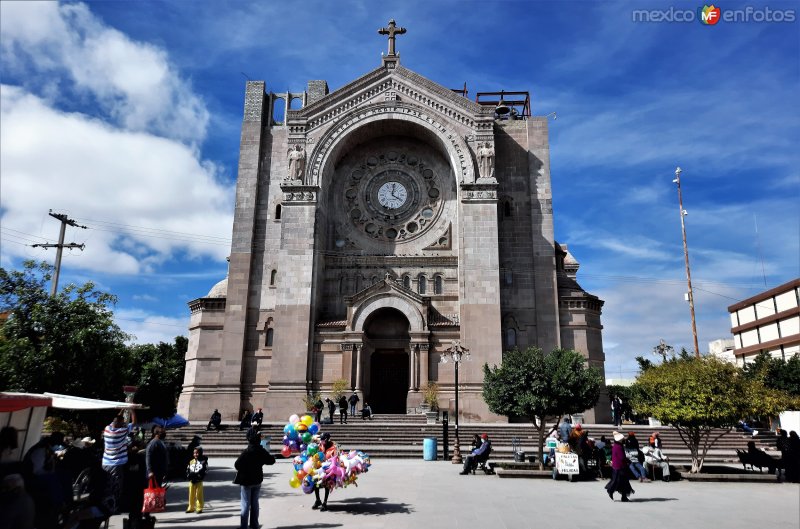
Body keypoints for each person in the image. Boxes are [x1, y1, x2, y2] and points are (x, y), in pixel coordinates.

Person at [234, 431, 275, 529]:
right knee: (255, 503)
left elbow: (237, 464)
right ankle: (254, 525)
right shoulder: (261, 450)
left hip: (246, 481)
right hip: (257, 480)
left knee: (245, 504)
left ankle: (244, 527)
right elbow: (271, 460)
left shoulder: (247, 451)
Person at [605, 431, 634, 502]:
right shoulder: (619, 447)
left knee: (620, 481)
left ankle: (622, 496)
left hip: (617, 466)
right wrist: (628, 461)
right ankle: (612, 491)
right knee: (621, 482)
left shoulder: (615, 446)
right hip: (620, 467)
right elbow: (622, 457)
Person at [313, 433, 336, 511]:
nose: (322, 442)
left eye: (323, 440)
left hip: (329, 468)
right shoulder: (321, 445)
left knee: (327, 485)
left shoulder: (334, 447)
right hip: (319, 467)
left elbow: (336, 458)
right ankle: (318, 500)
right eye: (321, 440)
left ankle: (325, 503)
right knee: (315, 483)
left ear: (327, 440)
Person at [185, 447, 208, 514]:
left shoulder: (203, 462)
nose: (195, 454)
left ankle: (199, 507)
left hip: (199, 481)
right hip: (191, 481)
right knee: (191, 495)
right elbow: (188, 469)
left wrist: (201, 476)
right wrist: (188, 476)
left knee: (199, 495)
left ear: (200, 453)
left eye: (197, 453)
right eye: (194, 453)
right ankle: (191, 507)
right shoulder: (191, 461)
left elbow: (205, 470)